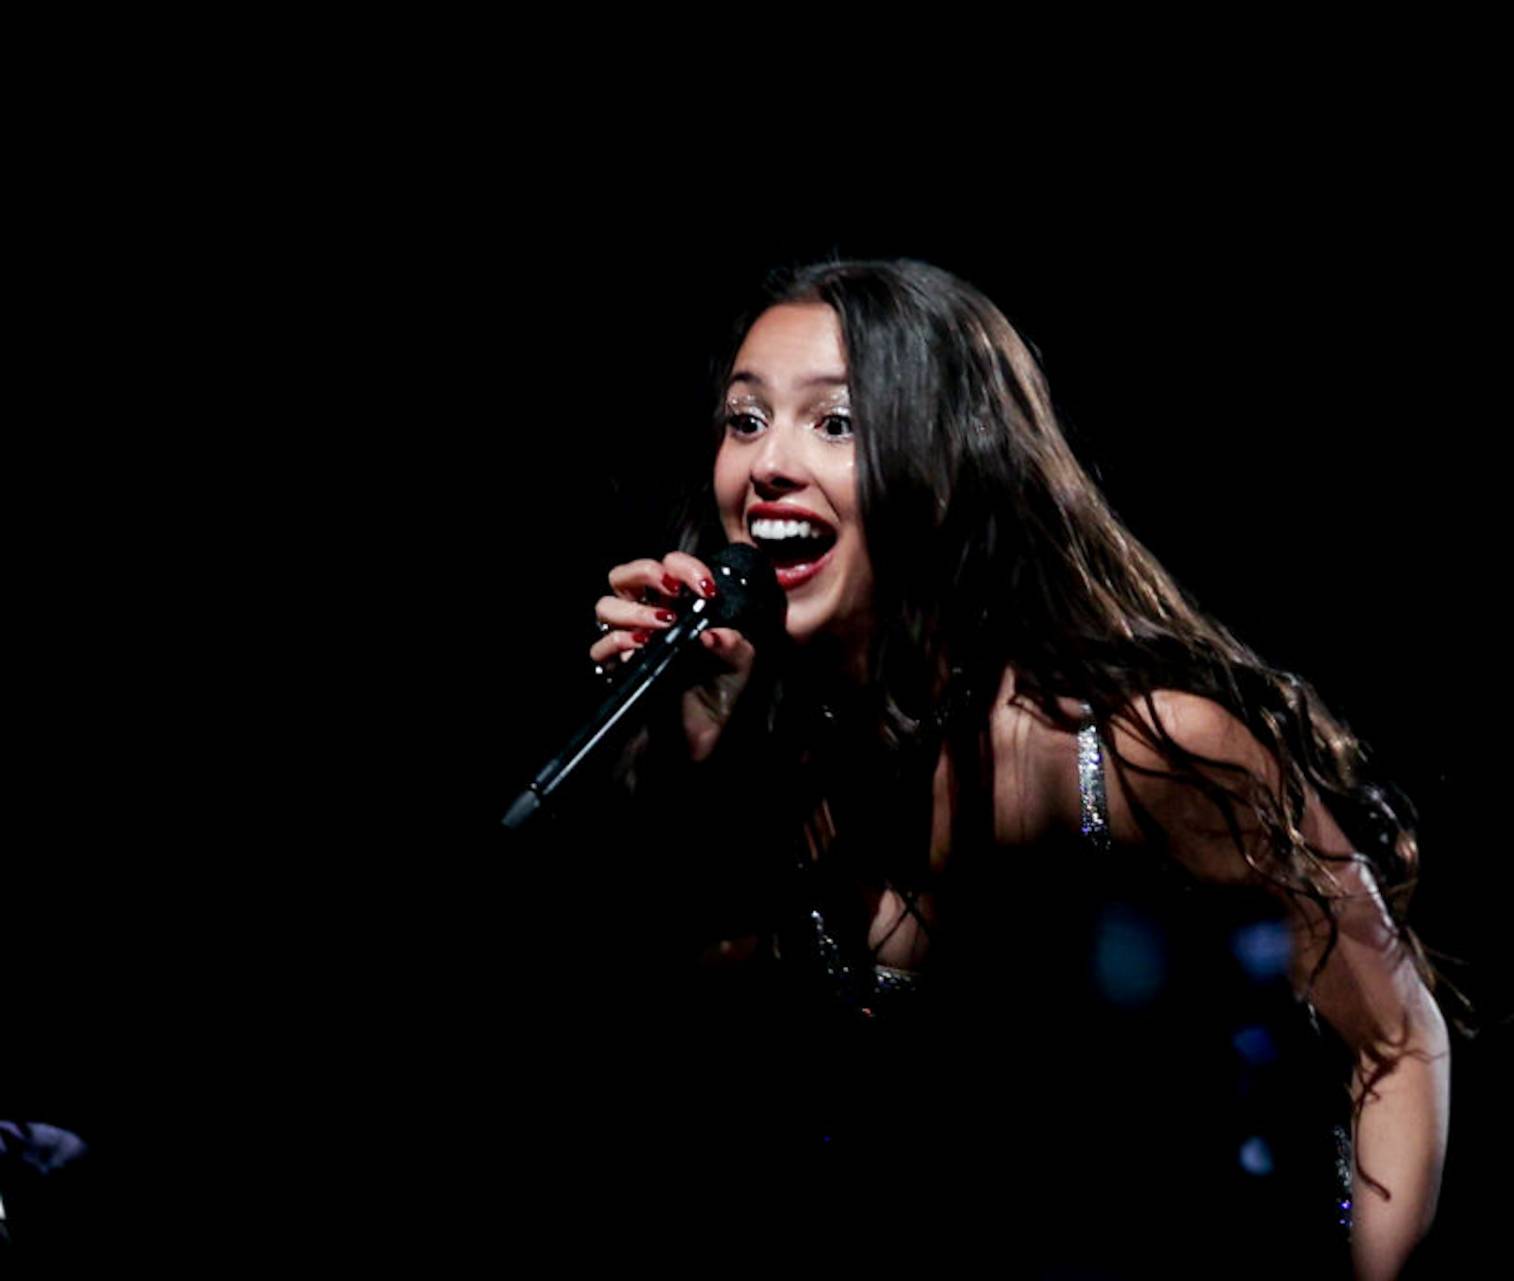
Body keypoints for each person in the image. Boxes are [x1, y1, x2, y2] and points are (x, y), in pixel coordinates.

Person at [579, 259, 1449, 1278]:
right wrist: (697, 762)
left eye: (837, 423)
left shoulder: (1133, 749)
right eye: (744, 419)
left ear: (952, 464)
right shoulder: (761, 757)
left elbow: (1398, 1043)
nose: (766, 466)